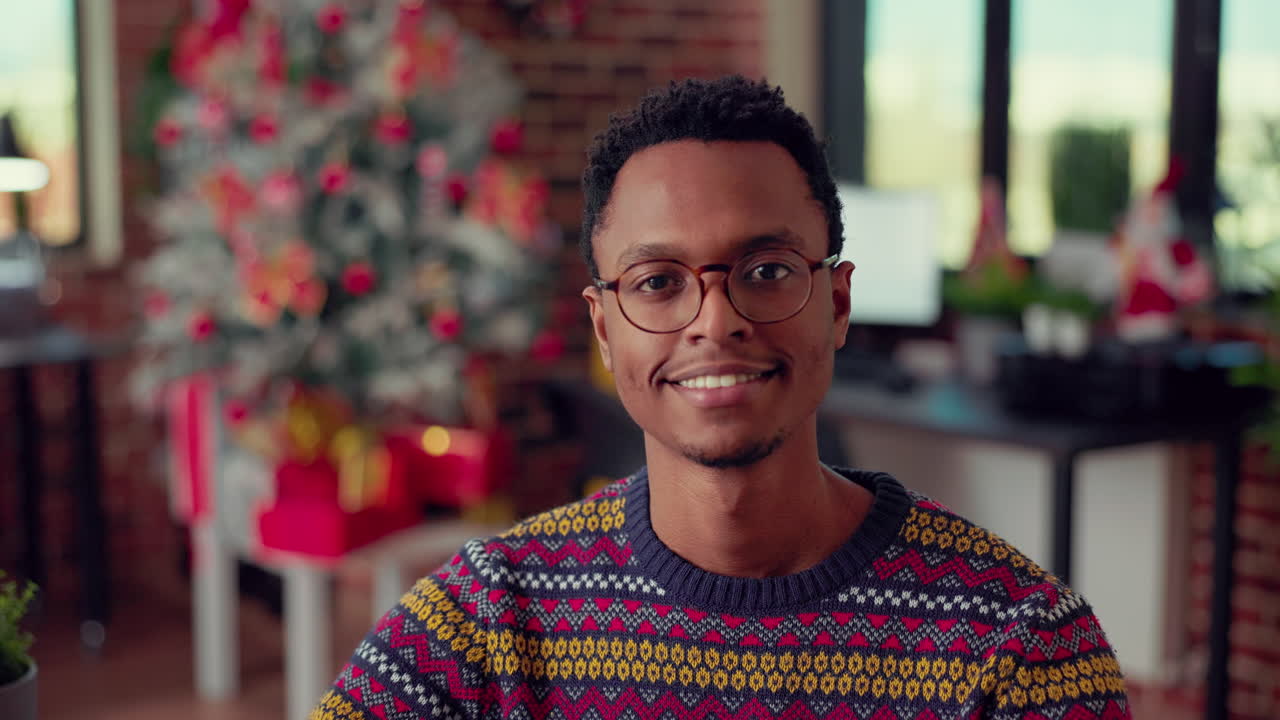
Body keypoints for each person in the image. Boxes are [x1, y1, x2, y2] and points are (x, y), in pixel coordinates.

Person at [311, 76, 1131, 720]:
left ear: (837, 304)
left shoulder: (1022, 645)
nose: (716, 321)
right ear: (605, 330)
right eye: (659, 282)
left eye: (767, 271)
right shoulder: (487, 616)